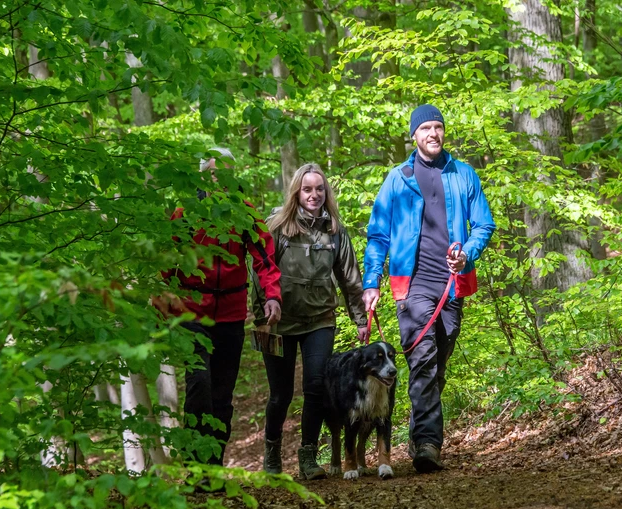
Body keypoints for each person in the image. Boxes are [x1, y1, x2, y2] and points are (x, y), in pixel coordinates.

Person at [362, 104, 495, 474]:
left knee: (437, 366)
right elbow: (378, 235)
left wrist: (466, 254)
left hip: (453, 285)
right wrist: (371, 281)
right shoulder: (397, 178)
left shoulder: (463, 174)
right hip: (412, 286)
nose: (433, 133)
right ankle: (427, 445)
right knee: (421, 362)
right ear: (414, 135)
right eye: (426, 128)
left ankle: (420, 431)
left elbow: (484, 225)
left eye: (438, 127)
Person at [155, 147, 282, 468]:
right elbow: (167, 263)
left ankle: (212, 467)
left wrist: (272, 296)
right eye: (214, 171)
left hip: (231, 315)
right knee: (199, 387)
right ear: (203, 175)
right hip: (192, 312)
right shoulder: (186, 212)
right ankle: (196, 466)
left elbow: (264, 257)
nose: (220, 178)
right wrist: (160, 303)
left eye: (225, 171)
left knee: (223, 397)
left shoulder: (244, 211)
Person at [250, 163, 369, 480]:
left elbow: (350, 279)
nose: (314, 194)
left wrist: (360, 319)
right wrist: (261, 316)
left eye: (319, 189)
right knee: (280, 394)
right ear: (296, 192)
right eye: (307, 189)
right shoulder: (277, 227)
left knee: (316, 387)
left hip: (320, 320)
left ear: (325, 193)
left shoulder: (335, 231)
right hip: (277, 323)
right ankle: (272, 453)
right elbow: (260, 272)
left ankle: (308, 457)